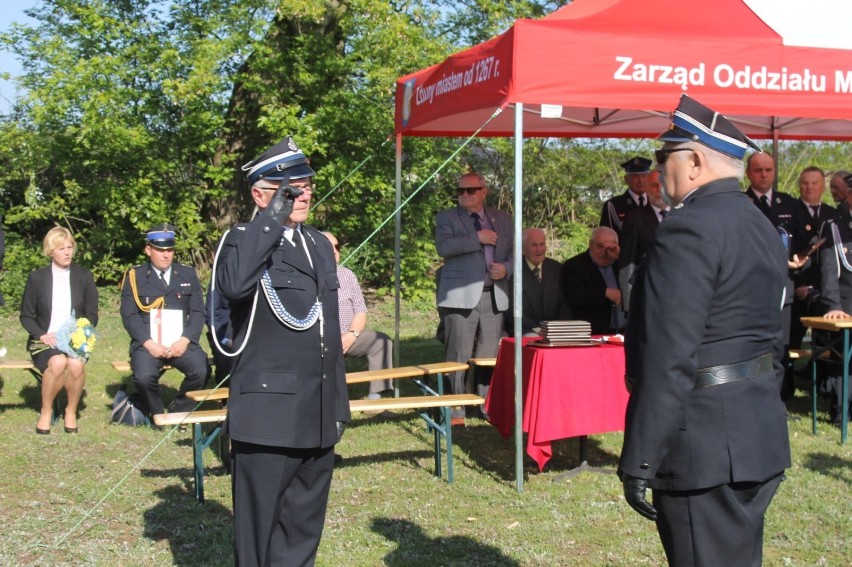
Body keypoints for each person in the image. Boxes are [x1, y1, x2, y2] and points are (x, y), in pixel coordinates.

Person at [618, 94, 790, 567]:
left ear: (693, 161)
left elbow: (669, 355)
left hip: (705, 446)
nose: (657, 170)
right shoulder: (760, 224)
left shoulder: (687, 229)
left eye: (662, 157)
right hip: (755, 432)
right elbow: (776, 336)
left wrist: (641, 457)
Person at [216, 137, 349, 566]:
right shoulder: (241, 241)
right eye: (290, 187)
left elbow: (328, 329)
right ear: (260, 195)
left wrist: (338, 406)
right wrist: (273, 218)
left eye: (307, 184)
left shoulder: (315, 245)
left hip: (317, 411)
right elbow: (234, 286)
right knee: (258, 536)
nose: (303, 193)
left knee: (302, 532)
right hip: (268, 416)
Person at [435, 171, 513, 424]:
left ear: (484, 191)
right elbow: (444, 247)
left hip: (494, 296)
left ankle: (485, 404)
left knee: (489, 354)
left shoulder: (502, 218)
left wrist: (506, 269)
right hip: (460, 296)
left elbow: (514, 253)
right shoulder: (447, 217)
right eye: (460, 191)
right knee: (457, 353)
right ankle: (455, 407)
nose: (464, 195)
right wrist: (476, 238)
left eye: (470, 190)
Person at [119, 224, 209, 417]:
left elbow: (198, 311)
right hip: (148, 341)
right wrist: (148, 344)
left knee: (201, 370)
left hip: (180, 340)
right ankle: (156, 412)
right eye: (160, 250)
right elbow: (129, 315)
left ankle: (180, 408)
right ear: (148, 250)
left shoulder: (187, 274)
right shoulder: (135, 276)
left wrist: (185, 341)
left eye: (169, 250)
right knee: (144, 377)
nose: (166, 255)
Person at [20, 227, 98, 434]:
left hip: (75, 338)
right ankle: (46, 411)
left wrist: (79, 333)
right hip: (45, 339)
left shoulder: (84, 276)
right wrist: (41, 335)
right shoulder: (37, 278)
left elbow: (92, 315)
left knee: (74, 364)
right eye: (61, 248)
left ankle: (70, 411)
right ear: (50, 251)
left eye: (70, 247)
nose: (67, 252)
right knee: (57, 362)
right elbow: (26, 316)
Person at [322, 231, 393, 398]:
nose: (334, 251)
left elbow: (361, 310)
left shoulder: (347, 275)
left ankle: (376, 397)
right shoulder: (307, 277)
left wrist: (352, 335)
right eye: (328, 247)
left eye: (337, 247)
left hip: (348, 335)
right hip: (319, 339)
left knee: (381, 341)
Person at [816, 171, 852, 424]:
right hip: (845, 302)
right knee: (843, 359)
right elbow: (829, 270)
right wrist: (834, 305)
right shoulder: (835, 224)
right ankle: (842, 411)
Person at [789, 166, 834, 353]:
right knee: (790, 346)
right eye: (805, 183)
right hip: (795, 288)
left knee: (826, 346)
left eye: (814, 183)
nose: (810, 187)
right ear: (800, 186)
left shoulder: (833, 215)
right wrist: (799, 284)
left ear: (823, 186)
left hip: (824, 291)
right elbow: (786, 250)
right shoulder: (790, 211)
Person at [617, 170, 668, 313]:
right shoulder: (634, 219)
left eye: (662, 185)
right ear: (646, 188)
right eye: (654, 186)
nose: (659, 190)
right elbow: (627, 266)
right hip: (648, 297)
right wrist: (630, 307)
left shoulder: (683, 215)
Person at [561, 226, 623, 335]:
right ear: (590, 245)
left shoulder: (622, 265)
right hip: (593, 333)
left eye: (610, 247)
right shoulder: (575, 265)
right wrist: (605, 292)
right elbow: (574, 295)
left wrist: (622, 257)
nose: (605, 252)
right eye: (600, 246)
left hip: (625, 333)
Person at [509, 227, 570, 336]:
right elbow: (511, 310)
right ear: (522, 248)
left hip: (554, 329)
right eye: (534, 245)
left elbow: (564, 304)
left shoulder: (557, 269)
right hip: (526, 328)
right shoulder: (514, 270)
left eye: (542, 244)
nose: (539, 249)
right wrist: (538, 330)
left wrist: (558, 327)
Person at [599, 156, 652, 235]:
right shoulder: (613, 205)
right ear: (626, 179)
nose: (640, 180)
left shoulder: (657, 202)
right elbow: (606, 236)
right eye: (635, 176)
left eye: (644, 176)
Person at [743, 152, 797, 229]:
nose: (764, 175)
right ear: (748, 173)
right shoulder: (740, 203)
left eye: (768, 170)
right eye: (758, 170)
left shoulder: (789, 203)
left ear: (774, 172)